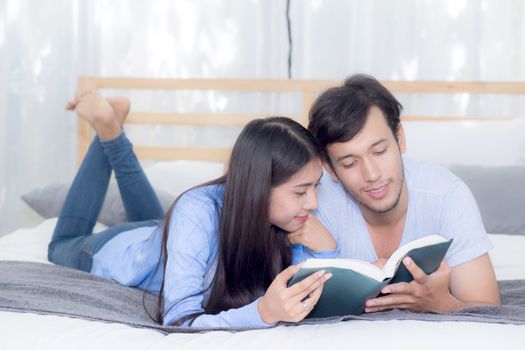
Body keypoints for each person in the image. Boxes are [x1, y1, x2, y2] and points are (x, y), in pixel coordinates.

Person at [48, 89, 337, 328]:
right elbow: (179, 318)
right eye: (300, 191)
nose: (312, 203)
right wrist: (262, 313)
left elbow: (306, 292)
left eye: (316, 187)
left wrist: (328, 250)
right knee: (59, 245)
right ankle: (108, 131)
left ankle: (113, 132)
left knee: (157, 221)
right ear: (259, 187)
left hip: (162, 237)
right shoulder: (197, 212)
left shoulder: (287, 219)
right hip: (119, 250)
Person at [297, 74, 500, 314]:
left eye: (380, 151)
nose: (371, 174)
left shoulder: (447, 196)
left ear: (400, 139)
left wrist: (439, 303)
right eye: (350, 164)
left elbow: (488, 308)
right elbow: (293, 303)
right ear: (330, 168)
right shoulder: (315, 204)